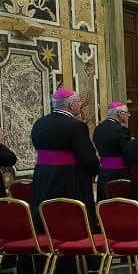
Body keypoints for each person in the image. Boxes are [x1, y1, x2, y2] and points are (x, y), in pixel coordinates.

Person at [31, 88, 98, 229]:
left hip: (43, 175)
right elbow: (87, 158)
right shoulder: (76, 126)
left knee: (47, 214)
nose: (80, 105)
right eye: (78, 102)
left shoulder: (39, 123)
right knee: (70, 218)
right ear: (72, 105)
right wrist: (94, 170)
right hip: (68, 177)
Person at [93, 101, 131, 198]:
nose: (129, 115)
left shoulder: (98, 128)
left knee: (105, 199)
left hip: (103, 171)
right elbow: (127, 151)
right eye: (127, 112)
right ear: (119, 113)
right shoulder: (121, 130)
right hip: (119, 172)